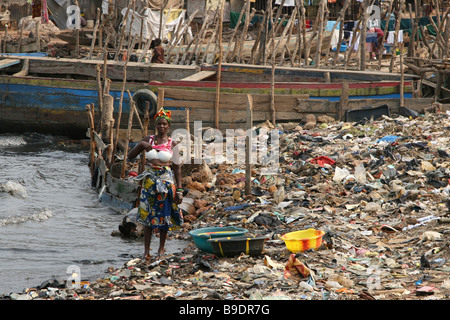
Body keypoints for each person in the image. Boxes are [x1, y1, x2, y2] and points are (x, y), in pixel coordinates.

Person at [127, 109, 183, 260]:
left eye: (164, 124)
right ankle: (146, 251)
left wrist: (180, 190)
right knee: (147, 217)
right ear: (156, 125)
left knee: (164, 217)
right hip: (149, 183)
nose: (162, 126)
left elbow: (177, 169)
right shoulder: (148, 140)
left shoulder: (173, 144)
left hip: (165, 184)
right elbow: (130, 156)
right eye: (159, 124)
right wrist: (141, 145)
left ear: (168, 126)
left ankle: (161, 249)